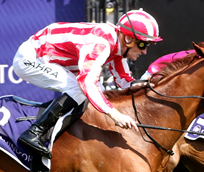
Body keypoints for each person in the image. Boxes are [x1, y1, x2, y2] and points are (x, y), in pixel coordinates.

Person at [13, 10, 162, 157]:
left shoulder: (118, 45)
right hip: (31, 59)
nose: (145, 52)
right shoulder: (101, 44)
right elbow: (87, 83)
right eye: (143, 44)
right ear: (128, 39)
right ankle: (34, 133)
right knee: (80, 89)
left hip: (52, 59)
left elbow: (125, 82)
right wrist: (115, 115)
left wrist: (149, 87)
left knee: (100, 91)